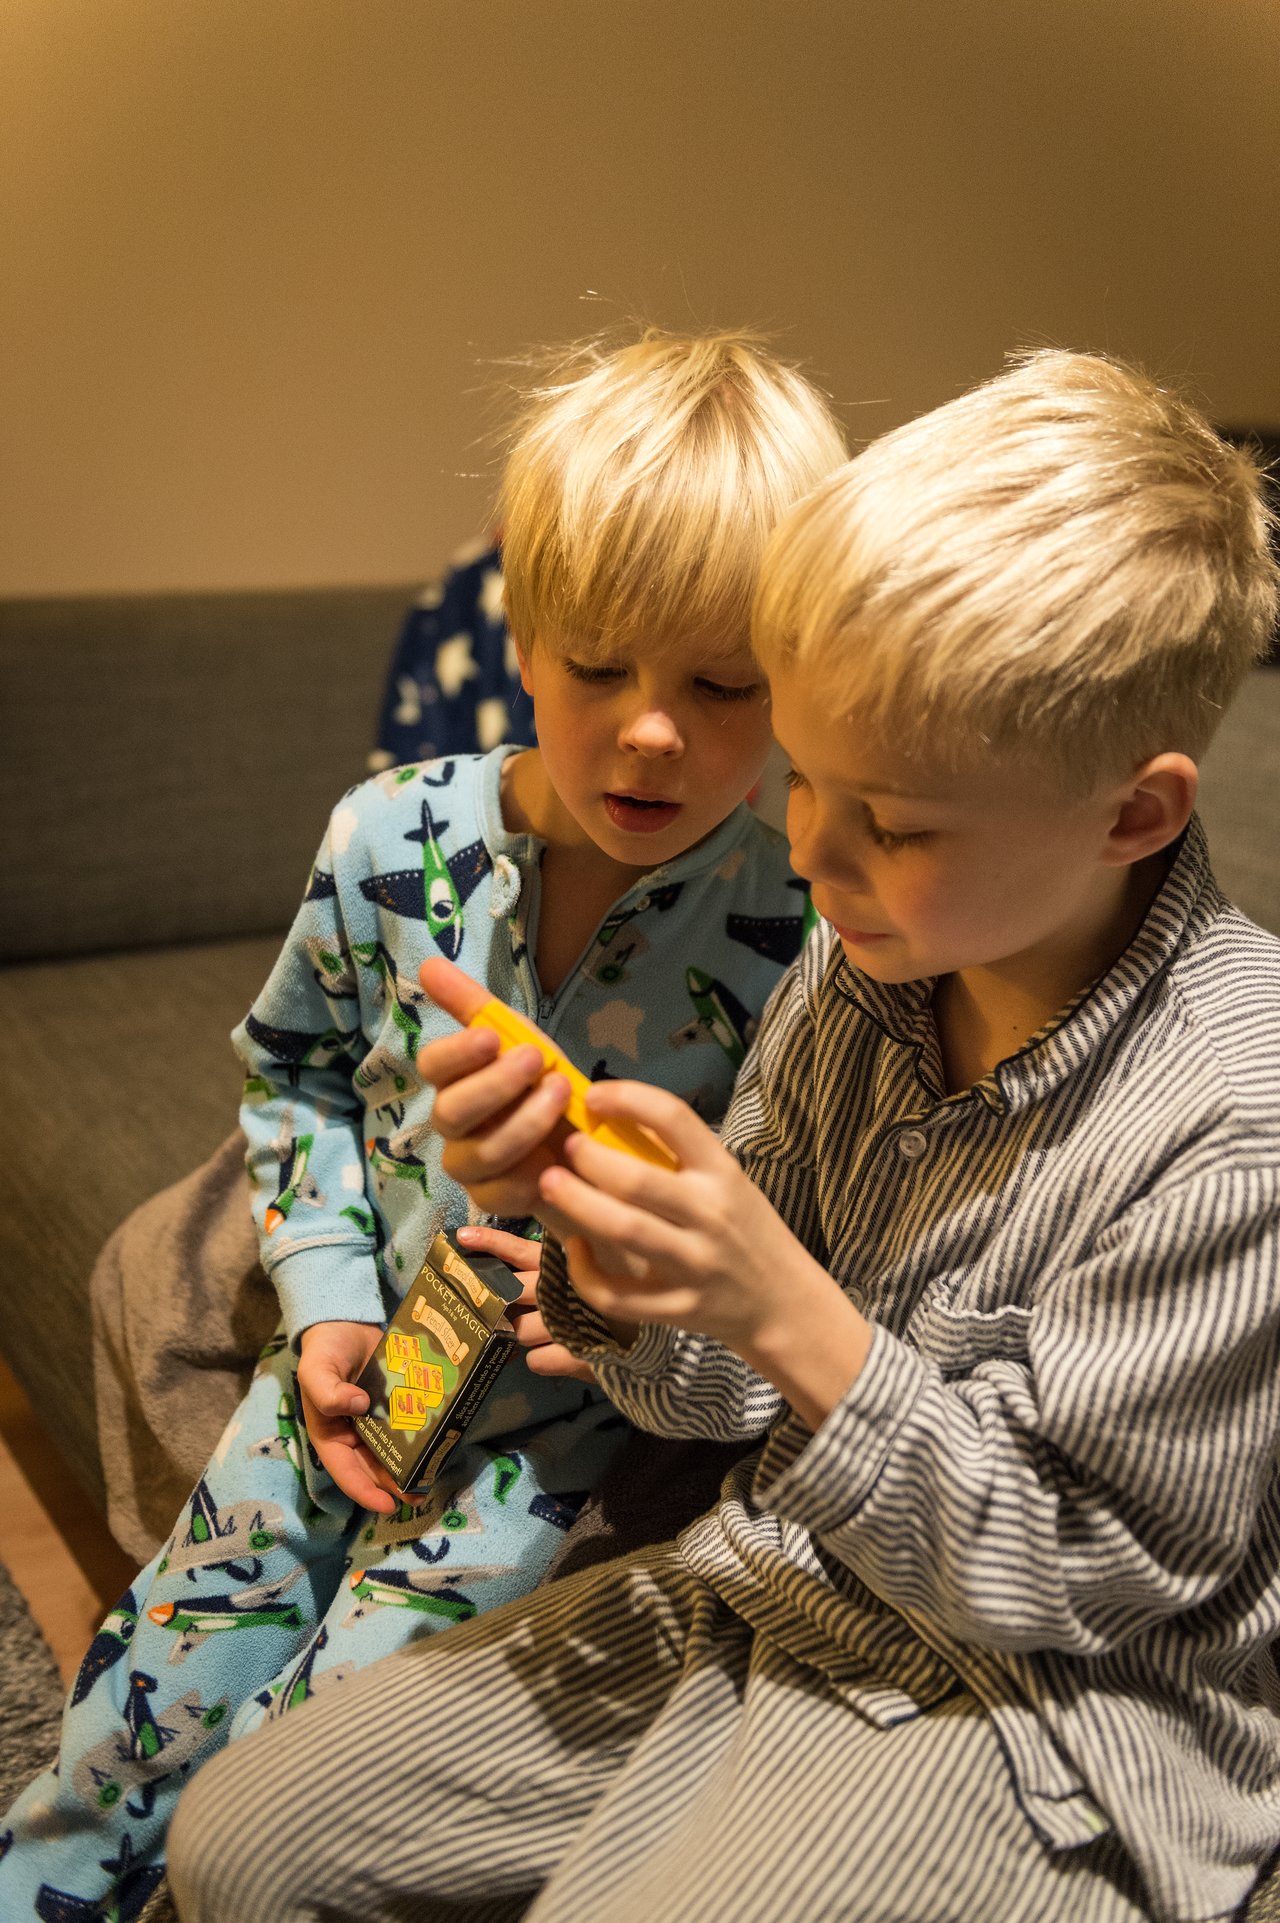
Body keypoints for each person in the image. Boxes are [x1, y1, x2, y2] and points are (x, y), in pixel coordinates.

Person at [167, 350, 1280, 1923]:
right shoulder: (860, 972)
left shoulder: (1236, 1122)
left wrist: (787, 1310)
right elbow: (716, 1395)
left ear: (1134, 816)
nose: (806, 853)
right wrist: (605, 1250)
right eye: (805, 779)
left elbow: (1067, 1570)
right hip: (768, 1581)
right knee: (241, 1842)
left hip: (1044, 1717)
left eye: (892, 822)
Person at [0, 327, 847, 1922]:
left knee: (310, 1769)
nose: (652, 730)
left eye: (723, 685)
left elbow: (771, 1240)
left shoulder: (801, 924)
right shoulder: (390, 834)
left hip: (550, 1451)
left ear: (795, 677)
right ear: (523, 642)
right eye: (599, 667)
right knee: (139, 1714)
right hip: (341, 1374)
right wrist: (322, 1298)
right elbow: (297, 1073)